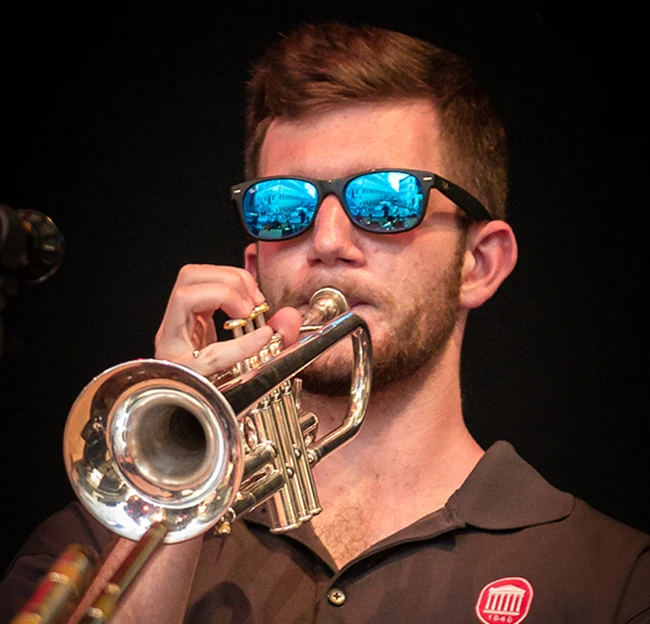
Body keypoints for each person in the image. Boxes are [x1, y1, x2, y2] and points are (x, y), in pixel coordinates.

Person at [2, 22, 649, 624]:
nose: (329, 239)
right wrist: (171, 488)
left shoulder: (613, 579)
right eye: (284, 206)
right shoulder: (96, 542)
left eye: (387, 200)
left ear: (479, 264)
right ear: (255, 265)